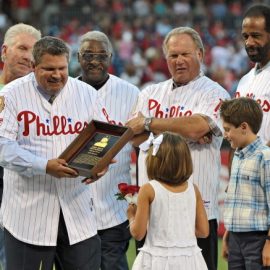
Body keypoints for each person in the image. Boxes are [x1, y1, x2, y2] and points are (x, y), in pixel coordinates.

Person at [126, 26, 230, 270]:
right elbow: (134, 135)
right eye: (173, 55)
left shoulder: (215, 92)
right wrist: (183, 130)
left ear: (200, 55)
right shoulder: (151, 91)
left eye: (186, 54)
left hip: (197, 211)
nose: (179, 60)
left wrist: (151, 123)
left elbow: (196, 127)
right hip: (152, 211)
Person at [0, 36, 107, 270]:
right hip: (28, 216)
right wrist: (44, 165)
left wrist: (102, 162)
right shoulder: (11, 94)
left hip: (77, 211)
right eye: (49, 68)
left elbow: (102, 138)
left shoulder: (87, 94)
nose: (57, 75)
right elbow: (3, 147)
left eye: (61, 68)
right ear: (34, 66)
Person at [77, 31, 139, 270]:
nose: (95, 61)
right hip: (75, 208)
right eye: (88, 55)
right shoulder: (65, 91)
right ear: (78, 57)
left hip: (115, 207)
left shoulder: (131, 92)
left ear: (111, 57)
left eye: (101, 55)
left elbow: (141, 142)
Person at [127, 132, 209, 270]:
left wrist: (131, 216)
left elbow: (138, 233)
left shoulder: (148, 189)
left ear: (154, 159)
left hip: (157, 261)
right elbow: (203, 231)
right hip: (190, 261)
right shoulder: (193, 189)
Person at [0, 23, 42, 270]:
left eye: (33, 51)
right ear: (4, 51)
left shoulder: (43, 96)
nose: (28, 56)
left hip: (26, 192)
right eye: (22, 48)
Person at [220, 97, 270, 269]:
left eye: (227, 129)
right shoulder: (237, 156)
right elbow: (236, 202)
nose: (225, 134)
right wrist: (228, 234)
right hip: (235, 238)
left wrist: (269, 243)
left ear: (243, 127)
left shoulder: (265, 157)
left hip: (258, 240)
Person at [234, 4, 270, 147]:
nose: (249, 42)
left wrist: (258, 158)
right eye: (245, 36)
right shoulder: (244, 81)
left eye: (256, 36)